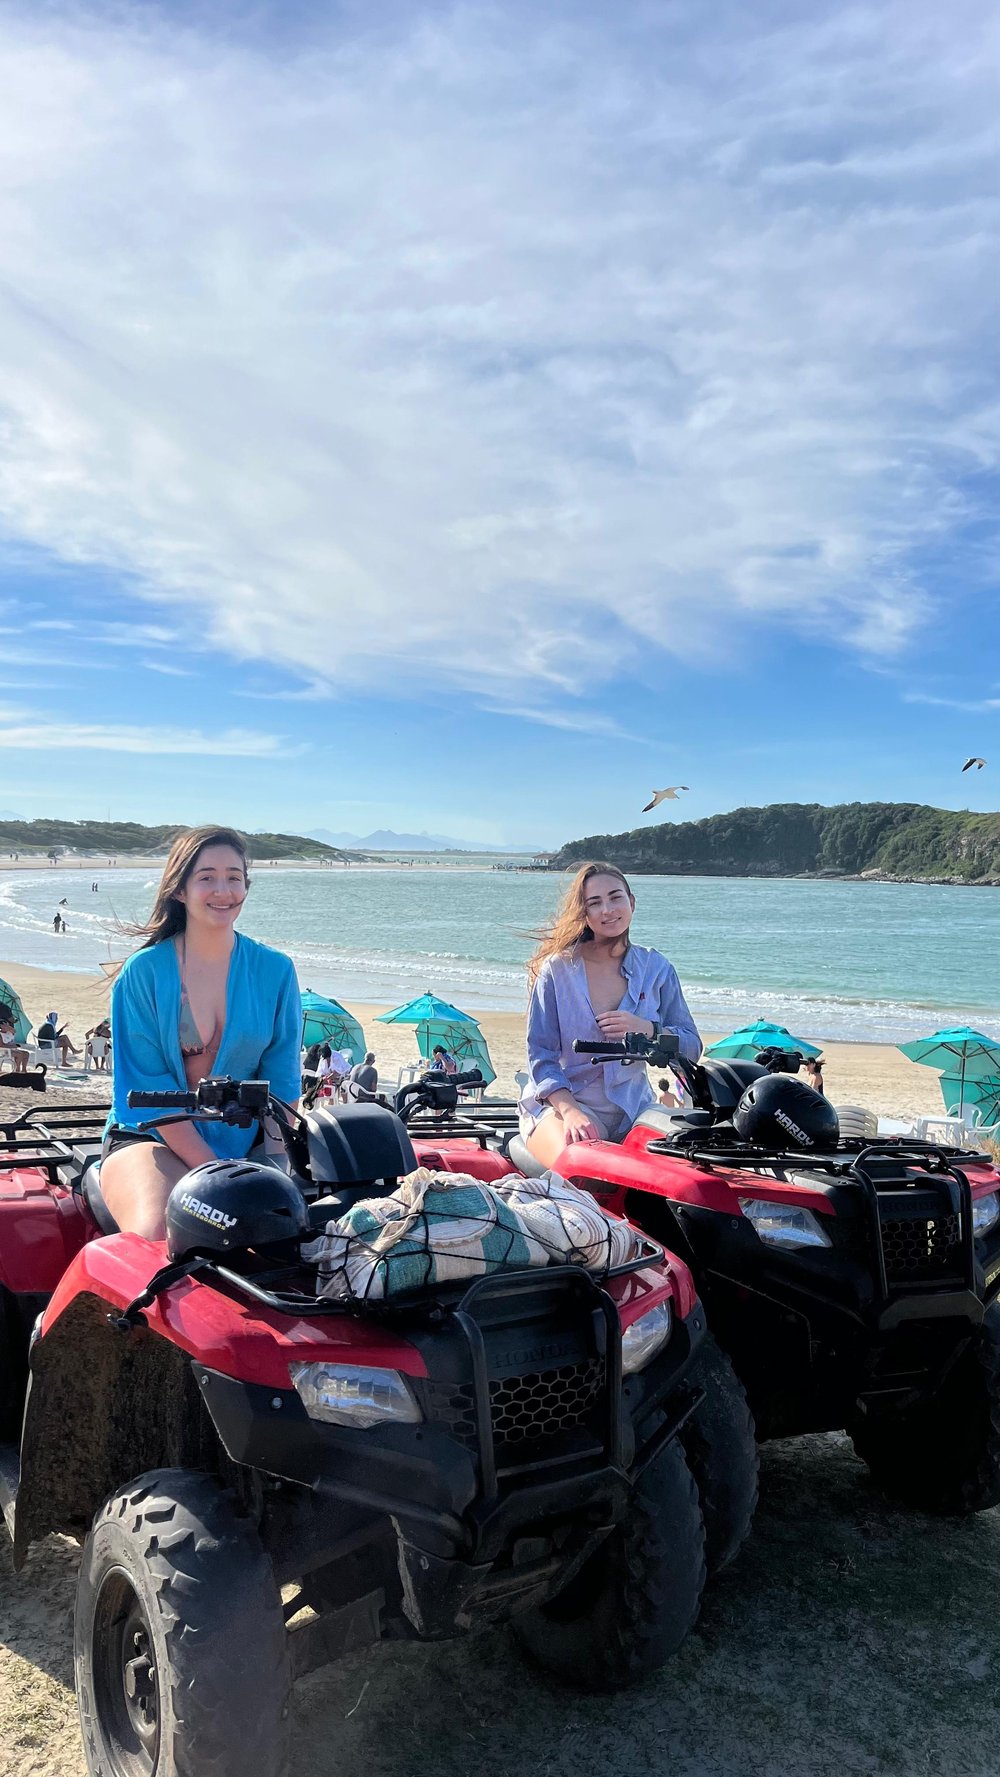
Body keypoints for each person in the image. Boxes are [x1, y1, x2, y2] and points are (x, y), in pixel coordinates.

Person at [100, 825, 301, 1241]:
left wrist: (281, 1161)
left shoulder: (276, 970)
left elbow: (282, 1081)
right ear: (180, 890)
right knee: (161, 1232)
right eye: (206, 877)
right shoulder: (144, 973)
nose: (222, 890)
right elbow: (142, 1088)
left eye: (234, 876)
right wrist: (215, 1172)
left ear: (246, 886)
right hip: (150, 1137)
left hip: (243, 1146)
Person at [519, 861, 701, 1168]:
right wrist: (571, 1111)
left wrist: (648, 1029)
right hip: (565, 1104)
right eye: (595, 903)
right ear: (584, 914)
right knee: (582, 1166)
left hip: (636, 1110)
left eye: (615, 897)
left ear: (631, 902)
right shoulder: (558, 970)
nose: (607, 910)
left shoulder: (657, 969)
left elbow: (692, 1047)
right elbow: (541, 1055)